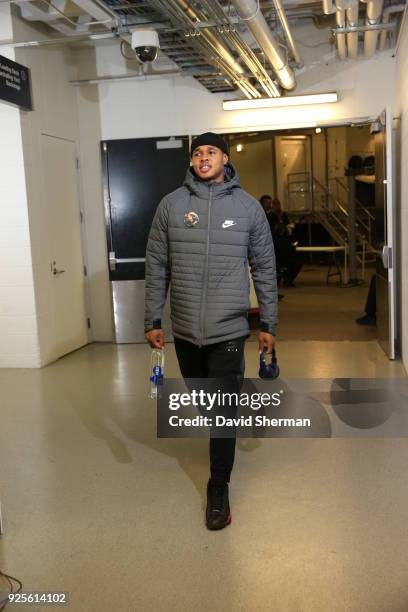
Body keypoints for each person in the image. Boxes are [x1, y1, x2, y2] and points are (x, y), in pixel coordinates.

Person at [144, 132, 278, 530]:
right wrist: (154, 319)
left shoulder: (248, 208)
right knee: (206, 403)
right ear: (191, 161)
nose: (204, 158)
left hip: (229, 328)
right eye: (198, 153)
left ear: (225, 158)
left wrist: (269, 322)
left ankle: (218, 485)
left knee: (220, 412)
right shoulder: (171, 206)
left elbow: (265, 268)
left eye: (211, 152)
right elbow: (156, 266)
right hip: (184, 328)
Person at [268, 211, 302, 287]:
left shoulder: (269, 236)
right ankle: (287, 278)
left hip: (274, 259)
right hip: (281, 258)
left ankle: (282, 275)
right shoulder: (281, 236)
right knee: (297, 261)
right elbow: (289, 248)